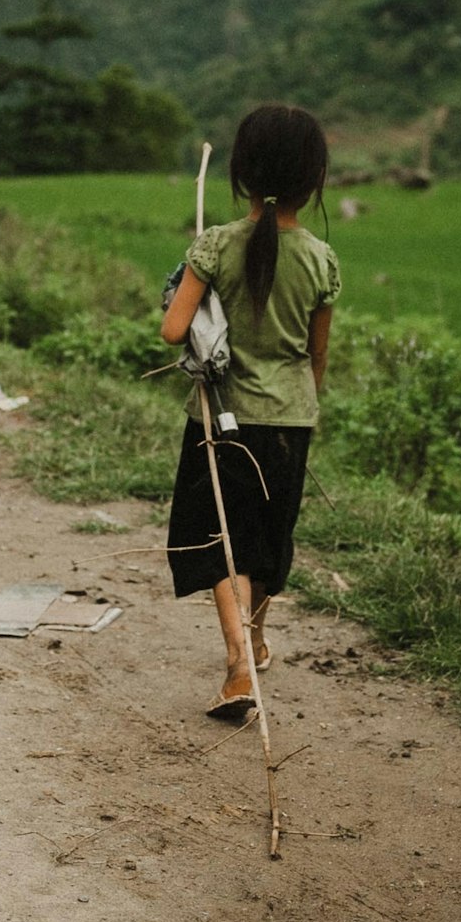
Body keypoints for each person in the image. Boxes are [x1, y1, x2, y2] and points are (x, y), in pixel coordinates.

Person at [160, 103, 339, 720]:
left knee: (221, 538)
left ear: (240, 173)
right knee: (265, 539)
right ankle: (258, 639)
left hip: (221, 419)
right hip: (290, 420)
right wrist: (299, 399)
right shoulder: (320, 259)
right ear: (312, 179)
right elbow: (317, 355)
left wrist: (188, 281)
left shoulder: (213, 246)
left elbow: (173, 329)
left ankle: (238, 661)